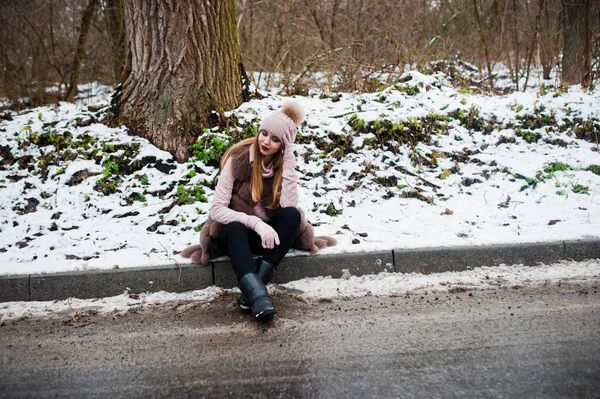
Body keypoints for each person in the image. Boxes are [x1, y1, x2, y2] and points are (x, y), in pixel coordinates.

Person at [181, 100, 336, 321]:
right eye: (264, 133)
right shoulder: (238, 159)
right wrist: (255, 223)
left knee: (293, 215)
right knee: (235, 227)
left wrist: (289, 158)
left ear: (282, 145)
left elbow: (289, 205)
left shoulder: (283, 163)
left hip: (267, 239)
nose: (266, 141)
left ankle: (254, 291)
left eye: (275, 139)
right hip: (235, 237)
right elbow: (217, 209)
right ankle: (259, 297)